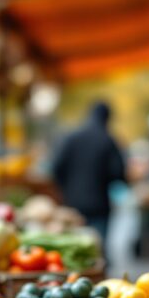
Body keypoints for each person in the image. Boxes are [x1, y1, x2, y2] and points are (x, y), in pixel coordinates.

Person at [52, 102, 126, 243]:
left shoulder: (71, 138)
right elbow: (118, 172)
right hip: (99, 204)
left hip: (72, 202)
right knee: (97, 248)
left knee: (75, 246)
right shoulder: (107, 140)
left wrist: (65, 189)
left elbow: (56, 168)